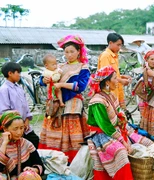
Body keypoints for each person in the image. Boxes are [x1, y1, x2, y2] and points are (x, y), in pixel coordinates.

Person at [87, 65, 153, 180]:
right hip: (102, 135)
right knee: (121, 152)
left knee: (146, 142)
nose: (117, 81)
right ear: (107, 82)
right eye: (114, 78)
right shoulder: (97, 102)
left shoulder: (111, 95)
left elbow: (119, 115)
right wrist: (122, 140)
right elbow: (106, 126)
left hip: (117, 129)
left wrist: (124, 126)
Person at [39, 35, 90, 163]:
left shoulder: (83, 67)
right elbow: (44, 77)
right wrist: (44, 80)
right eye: (66, 52)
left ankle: (72, 161)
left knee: (70, 135)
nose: (69, 55)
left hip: (72, 105)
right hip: (56, 105)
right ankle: (53, 160)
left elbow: (80, 86)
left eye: (72, 51)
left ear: (79, 52)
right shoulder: (59, 66)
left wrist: (61, 85)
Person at [0, 62, 39, 149]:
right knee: (17, 146)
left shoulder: (19, 88)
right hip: (14, 126)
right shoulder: (4, 89)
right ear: (10, 73)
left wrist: (27, 120)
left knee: (34, 140)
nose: (20, 75)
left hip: (24, 125)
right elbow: (5, 111)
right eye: (18, 73)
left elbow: (25, 105)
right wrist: (17, 124)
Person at [0, 110, 44, 179]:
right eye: (15, 129)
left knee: (29, 175)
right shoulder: (1, 144)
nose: (19, 132)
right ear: (5, 129)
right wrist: (4, 143)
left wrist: (34, 169)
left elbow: (40, 165)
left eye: (21, 128)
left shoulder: (26, 144)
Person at [97, 33, 132, 110]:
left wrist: (122, 77)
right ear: (110, 43)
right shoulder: (105, 56)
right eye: (118, 45)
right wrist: (121, 81)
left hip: (115, 90)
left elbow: (113, 74)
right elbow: (106, 77)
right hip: (109, 92)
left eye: (120, 45)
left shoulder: (114, 55)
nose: (119, 48)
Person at [138, 50, 154, 136]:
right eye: (152, 59)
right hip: (144, 96)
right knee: (144, 115)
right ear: (147, 60)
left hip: (151, 96)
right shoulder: (147, 70)